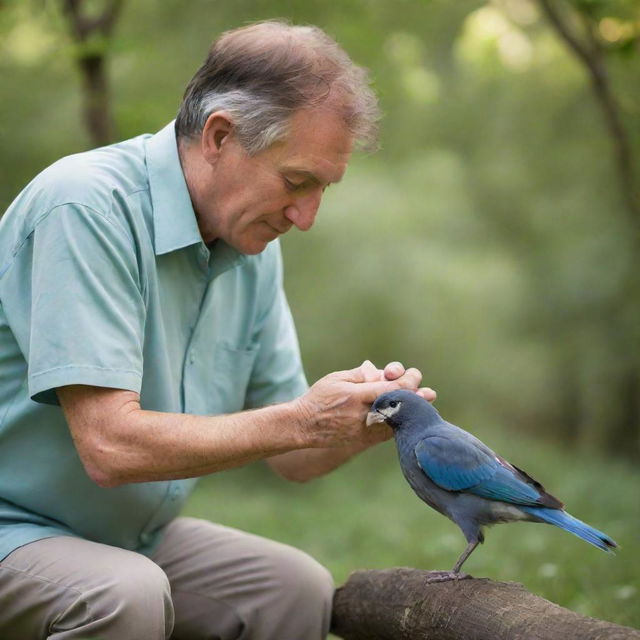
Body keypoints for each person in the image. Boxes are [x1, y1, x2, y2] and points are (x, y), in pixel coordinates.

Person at [0, 20, 434, 640]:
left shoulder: (251, 244)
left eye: (322, 190)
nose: (305, 217)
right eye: (296, 181)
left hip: (126, 534)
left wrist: (360, 421)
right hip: (11, 523)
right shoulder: (85, 207)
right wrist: (306, 417)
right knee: (124, 594)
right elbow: (110, 446)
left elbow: (296, 459)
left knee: (294, 589)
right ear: (220, 136)